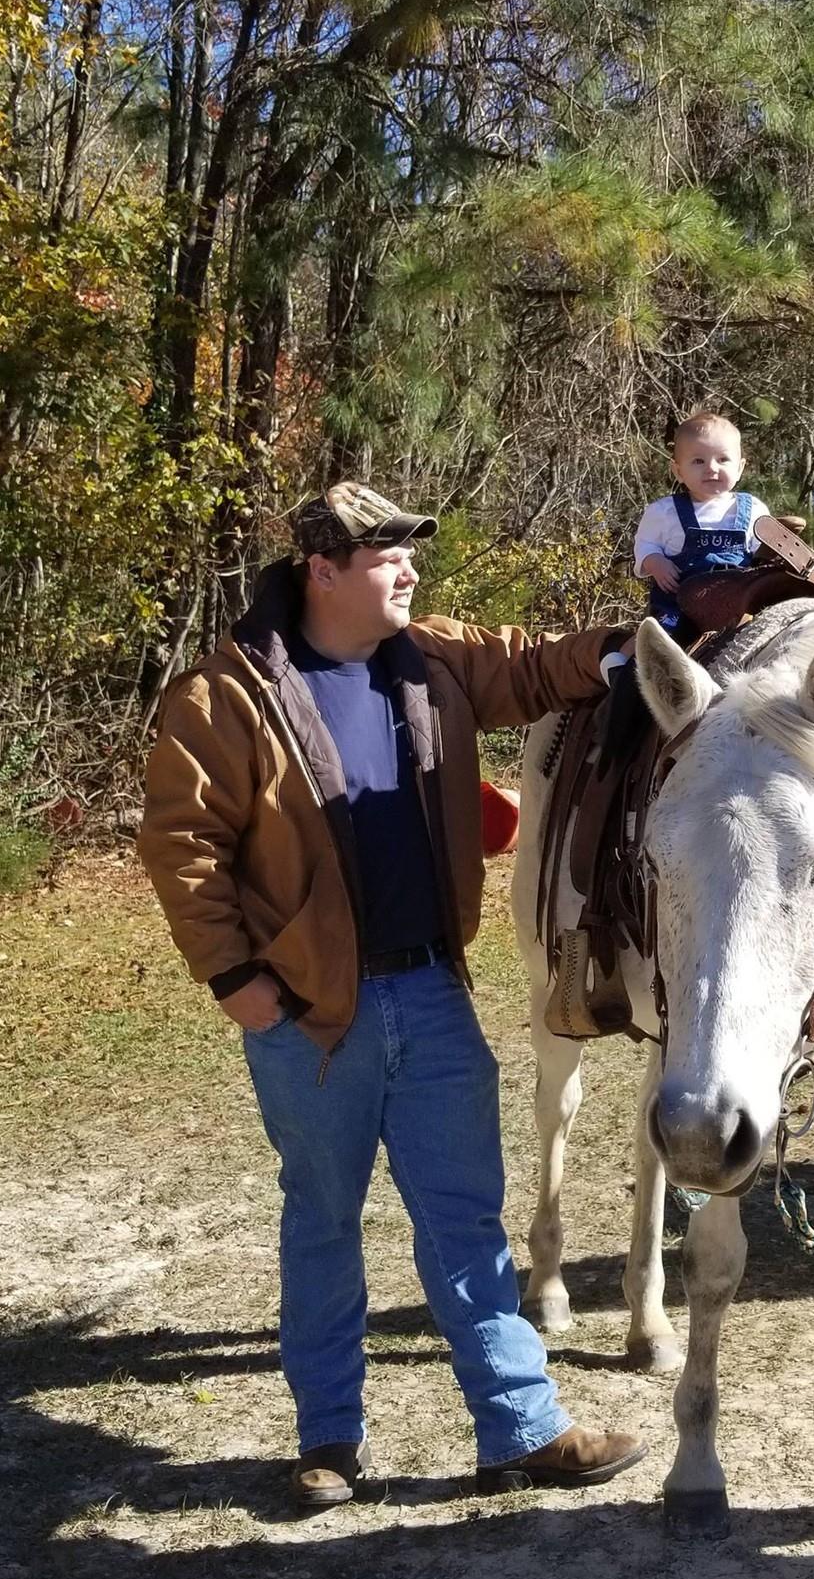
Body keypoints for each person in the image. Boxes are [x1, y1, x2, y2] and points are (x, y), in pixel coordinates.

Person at [139, 481, 645, 1509]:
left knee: (466, 1221)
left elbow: (537, 663)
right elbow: (181, 847)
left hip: (431, 996)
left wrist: (642, 638)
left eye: (409, 555)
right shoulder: (223, 695)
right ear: (322, 569)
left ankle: (521, 1429)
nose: (409, 570)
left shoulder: (438, 660)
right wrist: (238, 983)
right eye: (385, 557)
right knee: (323, 1219)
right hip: (311, 1021)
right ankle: (328, 1439)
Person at [634, 411, 770, 632]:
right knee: (662, 646)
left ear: (740, 468)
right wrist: (654, 561)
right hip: (678, 606)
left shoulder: (755, 509)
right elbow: (645, 543)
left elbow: (763, 555)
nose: (712, 468)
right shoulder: (664, 512)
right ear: (678, 471)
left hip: (739, 606)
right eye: (698, 461)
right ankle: (625, 665)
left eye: (723, 459)